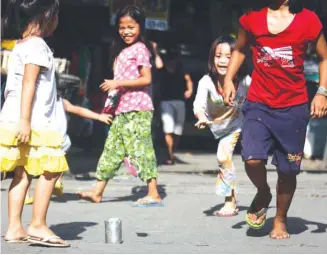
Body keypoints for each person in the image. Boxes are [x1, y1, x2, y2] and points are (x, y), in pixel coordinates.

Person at [223, 0, 327, 239]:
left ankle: (280, 220)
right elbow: (239, 49)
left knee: (288, 170)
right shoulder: (252, 17)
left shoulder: (308, 20)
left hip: (294, 107)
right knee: (252, 159)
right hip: (259, 103)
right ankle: (263, 192)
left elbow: (324, 57)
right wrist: (229, 79)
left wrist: (322, 92)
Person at [0, 0, 70, 247]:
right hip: (34, 119)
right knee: (52, 170)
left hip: (16, 117)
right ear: (47, 15)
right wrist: (25, 121)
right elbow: (29, 84)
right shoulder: (38, 46)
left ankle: (14, 227)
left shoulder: (21, 44)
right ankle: (38, 224)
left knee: (23, 172)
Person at [77, 5, 163, 207]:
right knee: (111, 150)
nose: (126, 31)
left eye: (131, 26)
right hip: (122, 109)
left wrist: (117, 83)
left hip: (138, 108)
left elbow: (146, 79)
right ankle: (97, 192)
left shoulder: (141, 49)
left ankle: (154, 192)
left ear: (140, 26)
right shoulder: (122, 51)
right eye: (122, 27)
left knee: (142, 149)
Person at [194, 35, 251, 217]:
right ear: (212, 58)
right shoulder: (206, 82)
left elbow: (259, 99)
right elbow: (198, 105)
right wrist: (201, 117)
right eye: (218, 56)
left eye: (229, 56)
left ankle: (230, 202)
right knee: (224, 157)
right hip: (219, 127)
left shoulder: (245, 81)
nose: (223, 60)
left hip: (239, 124)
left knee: (223, 157)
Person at [24, 93, 113, 205]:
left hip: (40, 137)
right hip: (58, 139)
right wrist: (99, 116)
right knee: (57, 163)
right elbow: (78, 110)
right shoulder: (60, 100)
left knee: (28, 169)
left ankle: (26, 194)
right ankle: (56, 181)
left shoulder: (36, 99)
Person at [159, 48, 194, 165]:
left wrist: (189, 90)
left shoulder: (181, 68)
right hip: (166, 101)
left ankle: (172, 151)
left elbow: (188, 80)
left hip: (179, 101)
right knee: (168, 129)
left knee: (178, 131)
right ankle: (170, 155)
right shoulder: (161, 69)